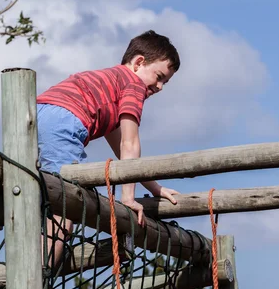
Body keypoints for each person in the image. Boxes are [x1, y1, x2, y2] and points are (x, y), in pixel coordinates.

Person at [36, 30, 181, 273]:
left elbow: (123, 154)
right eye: (159, 77)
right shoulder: (133, 85)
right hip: (65, 121)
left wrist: (155, 188)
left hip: (38, 112)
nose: (160, 87)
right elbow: (130, 144)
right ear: (138, 63)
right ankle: (34, 286)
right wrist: (128, 198)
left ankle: (29, 272)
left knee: (37, 197)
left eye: (165, 82)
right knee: (64, 208)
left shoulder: (110, 86)